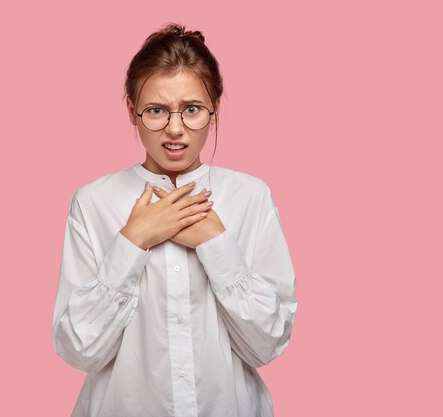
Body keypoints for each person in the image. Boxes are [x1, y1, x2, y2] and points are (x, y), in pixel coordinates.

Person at [52, 22, 298, 417]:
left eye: (192, 110)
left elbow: (267, 344)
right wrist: (133, 241)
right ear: (132, 111)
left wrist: (216, 242)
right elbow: (79, 350)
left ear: (214, 108)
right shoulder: (93, 202)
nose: (175, 130)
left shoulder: (251, 197)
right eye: (156, 111)